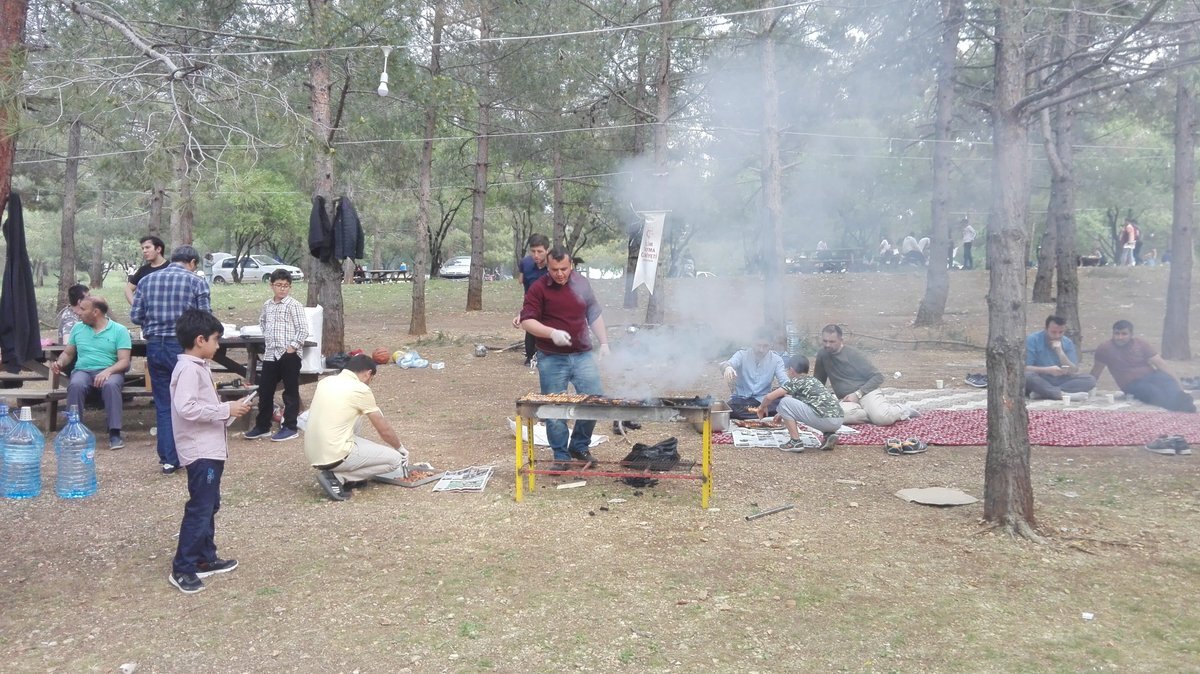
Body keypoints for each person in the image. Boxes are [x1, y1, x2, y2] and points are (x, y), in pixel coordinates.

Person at [167, 309, 252, 594]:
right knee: (200, 508)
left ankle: (205, 558)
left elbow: (205, 410)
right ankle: (183, 567)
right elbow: (186, 408)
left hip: (211, 449)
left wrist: (231, 411)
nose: (219, 346)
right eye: (216, 340)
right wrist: (225, 408)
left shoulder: (199, 366)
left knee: (210, 505)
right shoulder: (189, 369)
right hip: (200, 451)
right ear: (200, 340)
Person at [519, 245, 610, 469]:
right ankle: (561, 456)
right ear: (547, 267)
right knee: (554, 406)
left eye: (564, 268)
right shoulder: (538, 288)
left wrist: (605, 343)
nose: (560, 274)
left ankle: (579, 445)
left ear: (572, 266)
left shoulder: (581, 283)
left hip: (583, 355)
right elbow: (526, 320)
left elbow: (594, 314)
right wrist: (551, 333)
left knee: (595, 400)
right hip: (551, 357)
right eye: (554, 269)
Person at [131, 245, 211, 474]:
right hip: (183, 348)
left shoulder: (146, 281)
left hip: (155, 346)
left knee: (164, 404)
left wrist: (152, 324)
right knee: (189, 401)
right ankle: (191, 453)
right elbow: (205, 318)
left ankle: (168, 459)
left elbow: (136, 316)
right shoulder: (196, 282)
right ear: (193, 262)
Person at [304, 355, 409, 501]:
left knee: (357, 414)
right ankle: (339, 476)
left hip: (313, 452)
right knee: (395, 461)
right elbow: (383, 430)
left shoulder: (326, 381)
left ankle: (349, 474)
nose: (369, 382)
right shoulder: (360, 389)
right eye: (371, 378)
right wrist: (400, 448)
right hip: (335, 455)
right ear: (367, 373)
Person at [49, 296, 132, 450]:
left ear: (96, 312)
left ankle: (114, 433)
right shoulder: (77, 328)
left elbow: (124, 361)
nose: (78, 313)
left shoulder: (119, 330)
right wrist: (60, 362)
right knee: (75, 385)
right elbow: (68, 353)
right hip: (83, 370)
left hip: (110, 370)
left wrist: (108, 371)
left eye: (83, 309)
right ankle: (74, 430)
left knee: (111, 385)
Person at [244, 270, 309, 442]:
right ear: (271, 285)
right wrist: (268, 338)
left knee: (290, 391)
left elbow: (303, 329)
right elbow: (263, 322)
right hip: (271, 353)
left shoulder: (294, 305)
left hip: (289, 354)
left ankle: (289, 426)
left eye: (286, 286)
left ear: (290, 287)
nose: (282, 289)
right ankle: (262, 425)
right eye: (279, 285)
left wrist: (292, 347)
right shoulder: (268, 305)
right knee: (265, 390)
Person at [813, 324, 919, 426]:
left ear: (841, 340)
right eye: (825, 341)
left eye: (832, 342)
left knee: (883, 419)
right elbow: (818, 381)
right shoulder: (822, 354)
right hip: (847, 399)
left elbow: (878, 377)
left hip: (866, 392)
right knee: (832, 416)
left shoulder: (853, 354)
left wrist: (857, 394)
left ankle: (901, 410)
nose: (827, 345)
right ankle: (872, 413)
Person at [1091, 320, 1195, 413]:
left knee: (1167, 381)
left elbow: (1161, 364)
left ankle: (1182, 401)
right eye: (1117, 334)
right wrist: (1089, 387)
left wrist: (1179, 387)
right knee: (1154, 392)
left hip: (1151, 376)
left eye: (1124, 334)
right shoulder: (1105, 349)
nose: (1120, 337)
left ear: (1131, 334)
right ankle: (1180, 406)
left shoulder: (1140, 344)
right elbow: (1096, 371)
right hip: (1131, 384)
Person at [757, 354, 843, 452]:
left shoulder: (796, 381)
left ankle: (795, 441)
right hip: (838, 420)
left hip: (824, 419)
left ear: (792, 370)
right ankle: (829, 435)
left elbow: (769, 397)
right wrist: (781, 414)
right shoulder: (814, 381)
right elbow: (803, 403)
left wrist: (761, 407)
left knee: (784, 401)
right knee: (791, 403)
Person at [719, 328, 788, 420]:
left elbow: (785, 382)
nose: (761, 350)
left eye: (765, 346)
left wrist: (786, 395)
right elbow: (726, 364)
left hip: (763, 402)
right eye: (758, 345)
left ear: (771, 345)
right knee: (731, 408)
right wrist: (728, 367)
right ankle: (761, 414)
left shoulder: (776, 360)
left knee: (784, 402)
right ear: (752, 343)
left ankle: (757, 412)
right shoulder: (742, 355)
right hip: (741, 401)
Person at [1025, 315, 1096, 401]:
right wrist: (1048, 370)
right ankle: (1061, 394)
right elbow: (1026, 368)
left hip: (1061, 380)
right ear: (1046, 329)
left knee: (1090, 379)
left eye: (1061, 332)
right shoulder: (1032, 340)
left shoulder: (1067, 342)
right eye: (1053, 332)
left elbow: (1074, 369)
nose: (1057, 336)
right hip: (1041, 378)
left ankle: (1044, 393)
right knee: (1027, 376)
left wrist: (1060, 352)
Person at [513, 233, 550, 367]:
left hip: (550, 305)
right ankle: (530, 357)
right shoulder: (526, 263)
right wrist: (522, 312)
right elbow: (523, 285)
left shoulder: (554, 266)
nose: (536, 255)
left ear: (547, 250)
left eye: (540, 252)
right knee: (530, 328)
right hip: (532, 304)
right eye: (533, 251)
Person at [124, 235, 169, 304]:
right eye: (143, 248)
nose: (144, 251)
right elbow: (128, 289)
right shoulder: (143, 270)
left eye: (147, 247)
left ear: (158, 249)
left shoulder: (171, 268)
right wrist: (135, 306)